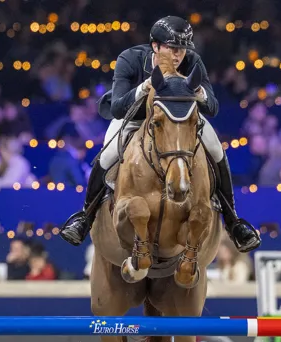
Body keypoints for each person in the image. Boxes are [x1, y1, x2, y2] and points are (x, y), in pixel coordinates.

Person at [58, 15, 260, 253]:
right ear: (155, 46)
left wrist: (199, 92)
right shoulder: (130, 59)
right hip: (135, 118)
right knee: (107, 154)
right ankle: (85, 217)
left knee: (217, 150)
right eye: (172, 48)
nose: (178, 55)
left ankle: (233, 221)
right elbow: (117, 108)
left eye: (182, 49)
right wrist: (144, 87)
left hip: (180, 123)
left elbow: (213, 107)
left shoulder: (193, 61)